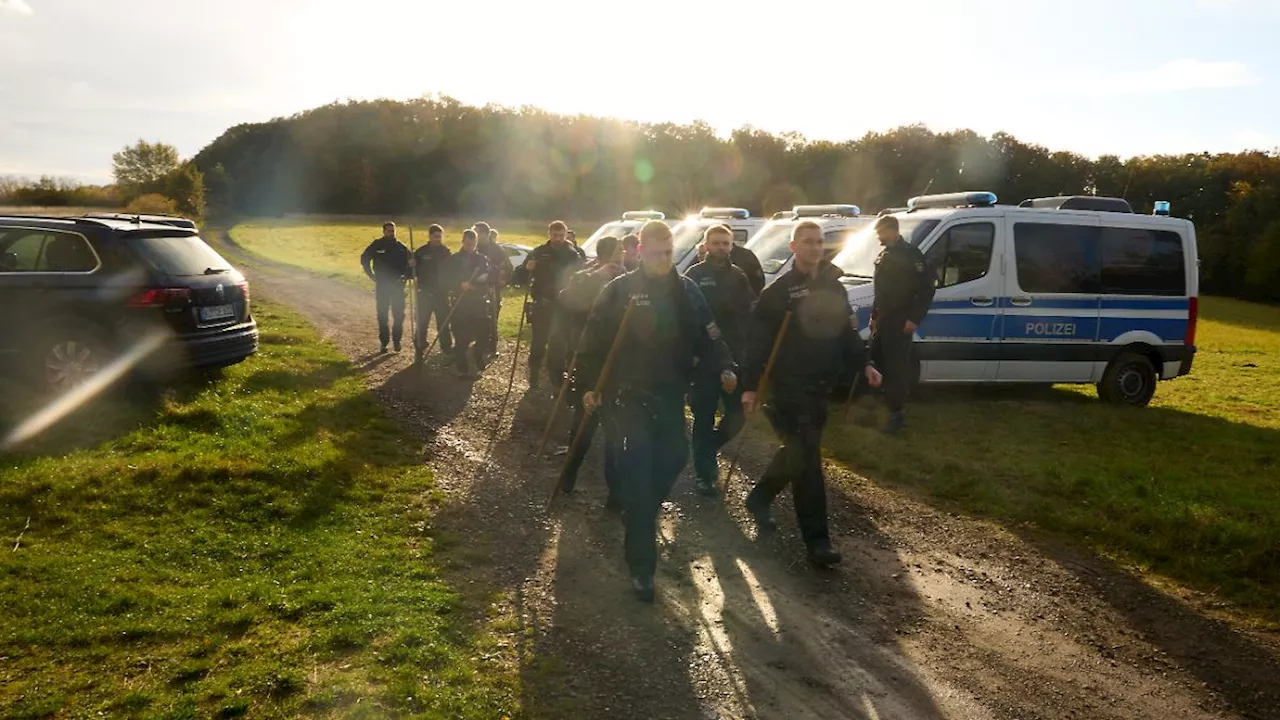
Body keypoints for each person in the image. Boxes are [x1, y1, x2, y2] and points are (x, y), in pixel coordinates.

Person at [579, 220, 736, 601]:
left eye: (669, 253)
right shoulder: (619, 290)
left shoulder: (687, 290)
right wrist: (588, 385)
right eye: (656, 253)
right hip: (627, 394)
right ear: (639, 251)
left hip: (670, 393)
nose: (664, 260)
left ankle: (640, 509)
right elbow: (592, 339)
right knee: (638, 471)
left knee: (675, 456)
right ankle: (642, 567)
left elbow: (710, 333)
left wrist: (726, 365)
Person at [740, 221, 883, 568]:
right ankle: (817, 542)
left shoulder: (835, 288)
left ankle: (759, 498)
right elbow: (757, 344)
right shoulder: (778, 293)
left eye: (819, 242)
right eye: (807, 242)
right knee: (808, 462)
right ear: (793, 247)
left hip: (822, 386)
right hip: (789, 387)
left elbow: (848, 334)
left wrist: (865, 364)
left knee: (798, 452)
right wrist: (749, 386)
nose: (815, 247)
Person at [683, 225, 755, 497]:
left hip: (735, 357)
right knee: (703, 417)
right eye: (716, 243)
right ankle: (705, 476)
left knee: (737, 416)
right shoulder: (693, 276)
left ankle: (709, 447)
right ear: (705, 246)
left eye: (726, 243)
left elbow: (750, 314)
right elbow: (684, 320)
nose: (721, 248)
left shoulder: (739, 276)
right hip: (703, 361)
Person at [558, 236, 626, 503]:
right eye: (619, 249)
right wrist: (598, 276)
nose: (623, 254)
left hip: (620, 360)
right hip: (589, 357)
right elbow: (568, 300)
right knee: (584, 422)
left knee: (616, 429)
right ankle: (569, 472)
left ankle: (616, 492)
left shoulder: (629, 281)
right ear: (607, 253)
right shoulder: (584, 277)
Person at [869, 214, 935, 434]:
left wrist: (914, 319)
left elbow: (926, 290)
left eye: (881, 232)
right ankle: (879, 407)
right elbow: (881, 291)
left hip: (901, 321)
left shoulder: (911, 255)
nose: (878, 236)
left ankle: (896, 414)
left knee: (896, 368)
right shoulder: (884, 254)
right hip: (884, 320)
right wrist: (874, 315)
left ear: (892, 230)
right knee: (877, 361)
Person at [521, 220, 583, 390]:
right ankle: (533, 375)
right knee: (538, 342)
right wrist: (527, 268)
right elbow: (518, 276)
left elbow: (579, 278)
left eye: (561, 235)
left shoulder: (572, 255)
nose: (558, 239)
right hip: (542, 304)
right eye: (554, 235)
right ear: (549, 234)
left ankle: (555, 379)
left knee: (558, 344)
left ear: (565, 234)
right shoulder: (538, 253)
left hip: (562, 307)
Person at [447, 229, 494, 378]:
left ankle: (477, 354)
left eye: (473, 244)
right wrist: (460, 285)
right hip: (460, 303)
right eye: (468, 244)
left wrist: (483, 281)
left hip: (478, 302)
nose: (471, 247)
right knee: (462, 337)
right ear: (463, 242)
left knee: (484, 334)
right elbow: (445, 280)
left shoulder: (482, 259)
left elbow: (491, 275)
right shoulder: (453, 260)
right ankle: (462, 365)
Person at [360, 221, 412, 353]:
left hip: (397, 286)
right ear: (384, 231)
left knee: (399, 315)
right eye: (389, 231)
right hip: (382, 285)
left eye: (393, 231)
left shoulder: (401, 247)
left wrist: (407, 274)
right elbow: (364, 258)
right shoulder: (377, 245)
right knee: (382, 315)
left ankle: (397, 341)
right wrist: (371, 275)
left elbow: (411, 265)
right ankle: (384, 342)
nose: (391, 233)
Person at [412, 224, 453, 363]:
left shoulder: (446, 252)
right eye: (436, 236)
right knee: (422, 323)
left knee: (443, 322)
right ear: (429, 236)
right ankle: (419, 348)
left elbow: (450, 271)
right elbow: (411, 274)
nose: (438, 239)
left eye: (440, 237)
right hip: (424, 294)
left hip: (441, 294)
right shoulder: (420, 252)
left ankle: (446, 348)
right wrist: (410, 265)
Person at [475, 223, 512, 359]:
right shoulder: (475, 247)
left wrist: (499, 284)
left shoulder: (496, 250)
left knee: (492, 318)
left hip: (492, 289)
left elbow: (505, 268)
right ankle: (479, 344)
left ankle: (491, 347)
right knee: (478, 318)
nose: (476, 236)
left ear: (485, 234)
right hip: (476, 290)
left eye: (477, 233)